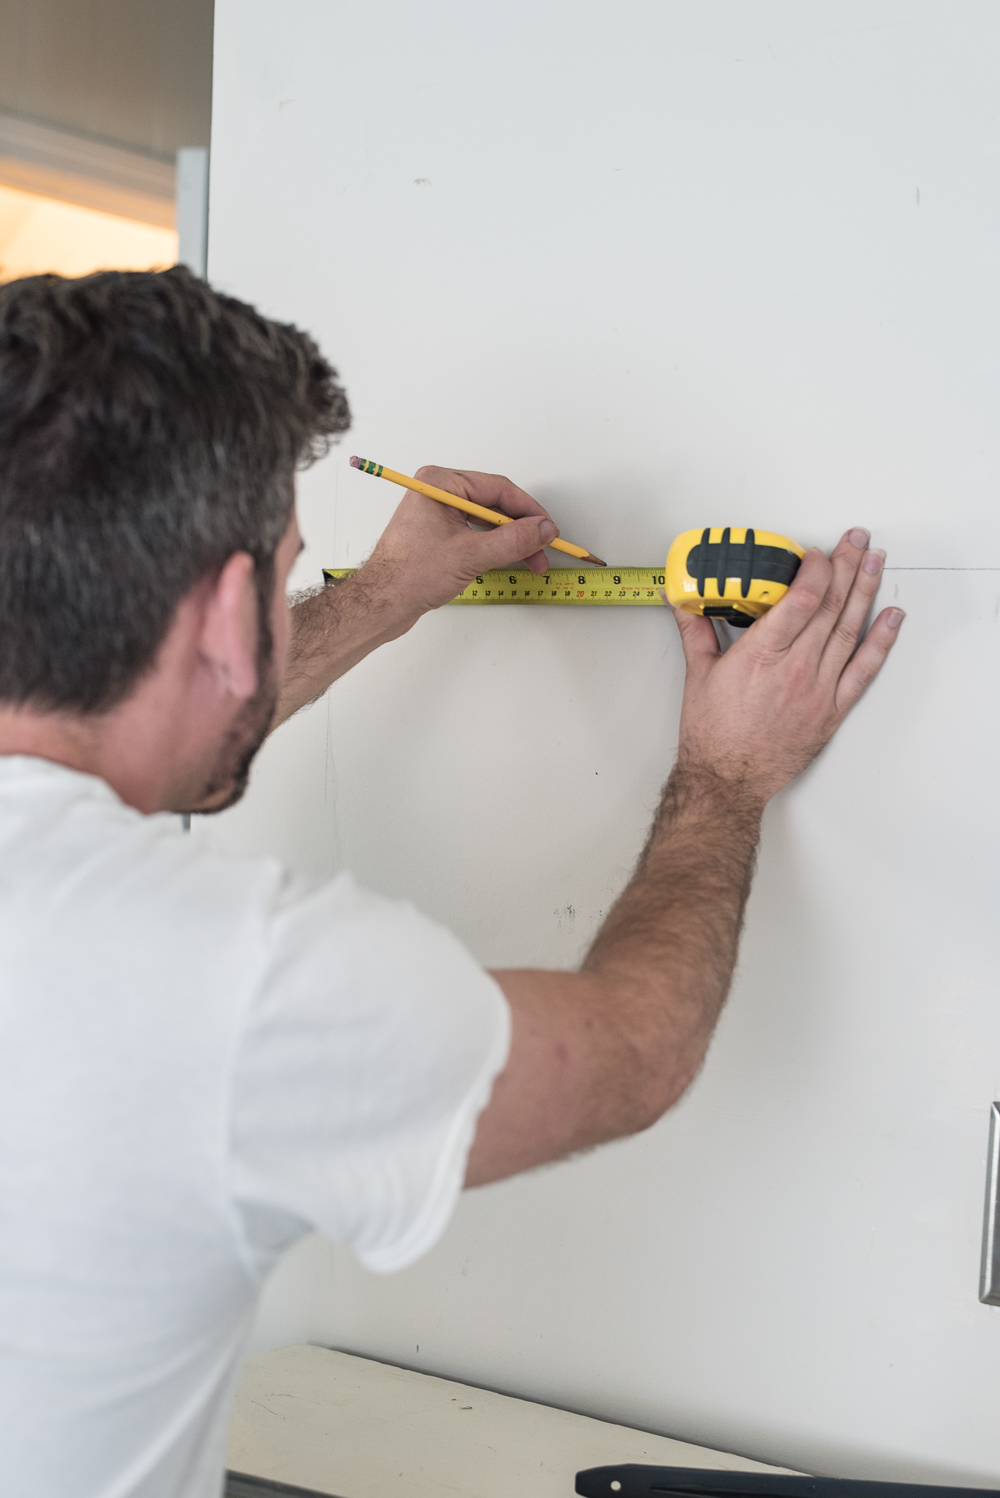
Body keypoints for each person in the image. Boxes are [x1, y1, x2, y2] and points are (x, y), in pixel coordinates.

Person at [0, 267, 902, 1498]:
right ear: (223, 612)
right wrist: (727, 777)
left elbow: (89, 768)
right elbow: (632, 1053)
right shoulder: (226, 981)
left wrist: (374, 598)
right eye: (282, 576)